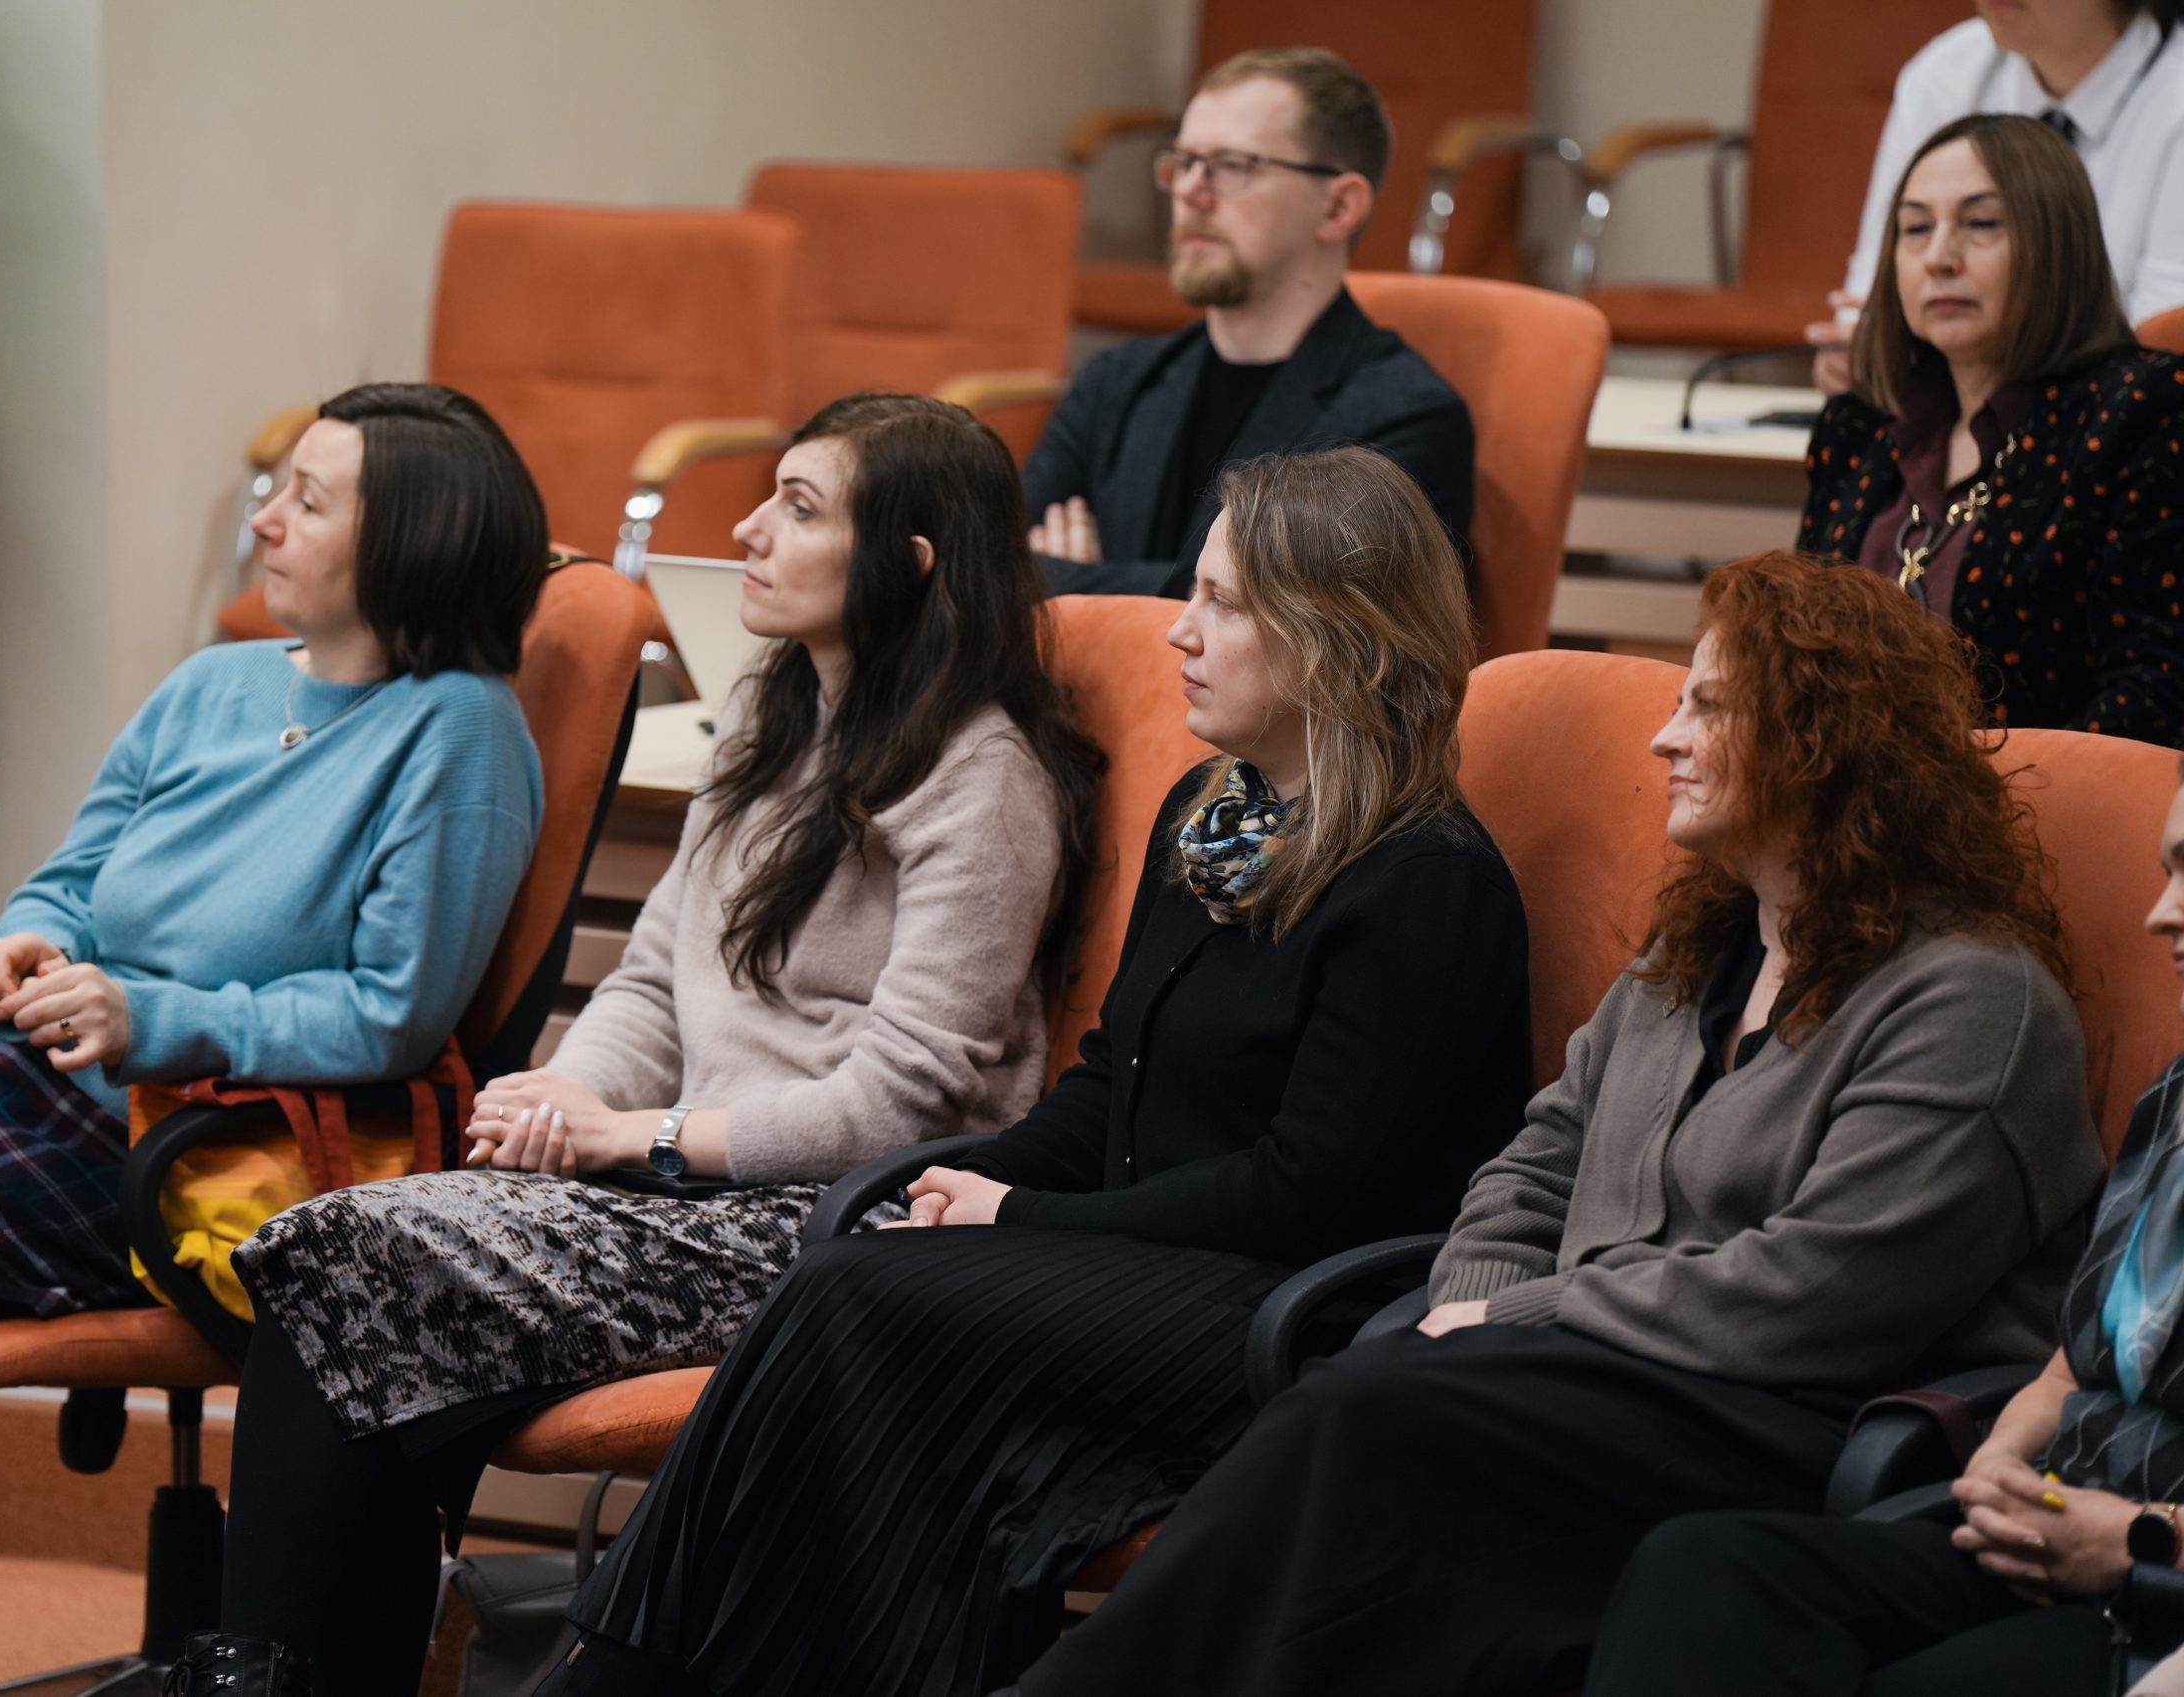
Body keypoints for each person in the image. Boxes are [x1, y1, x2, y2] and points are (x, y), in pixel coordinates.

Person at [993, 552, 2106, 1697]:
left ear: (1825, 745)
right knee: (1374, 1433)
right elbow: (1531, 1166)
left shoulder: (1973, 1001)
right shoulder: (1691, 960)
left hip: (1793, 1419)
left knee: (1367, 1422)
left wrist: (1513, 1316)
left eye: (1709, 708)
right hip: (1588, 1384)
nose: (1665, 740)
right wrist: (1474, 1309)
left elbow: (1818, 1295)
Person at [539, 444, 1534, 1697]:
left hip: (1286, 1299)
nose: (1180, 630)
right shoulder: (1214, 815)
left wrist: (1019, 1214)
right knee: (862, 1288)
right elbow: (1112, 1080)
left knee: (859, 1301)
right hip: (1141, 1262)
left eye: (1224, 604)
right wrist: (963, 1179)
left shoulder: (1427, 883)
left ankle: (616, 1673)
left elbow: (1305, 1191)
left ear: (1342, 641)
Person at [174, 394, 1104, 1694]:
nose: (747, 530)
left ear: (908, 562)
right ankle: (271, 1672)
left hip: (831, 1223)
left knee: (348, 1269)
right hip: (687, 1186)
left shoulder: (982, 778)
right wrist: (564, 1091)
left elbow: (904, 1103)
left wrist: (635, 1135)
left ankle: (252, 1677)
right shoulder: (774, 716)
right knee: (336, 1272)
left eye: (798, 507)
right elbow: (656, 974)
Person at [0, 383, 548, 1690]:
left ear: (415, 538)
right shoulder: (212, 683)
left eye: (308, 501)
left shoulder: (461, 730)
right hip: (42, 1077)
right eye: (275, 490)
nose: (264, 519)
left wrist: (150, 1015)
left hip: (194, 1135)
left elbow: (392, 1011)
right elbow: (75, 877)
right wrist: (30, 938)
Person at [1582, 760, 2184, 1697]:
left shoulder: (1971, 994)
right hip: (2058, 1525)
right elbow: (2072, 1367)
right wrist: (2002, 1466)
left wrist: (2145, 1538)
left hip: (2151, 1578)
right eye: (2168, 871)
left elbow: (1812, 1288)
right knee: (1702, 1572)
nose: (2160, 914)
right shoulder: (2174, 1099)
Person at [1022, 46, 1474, 598]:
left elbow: (1287, 620)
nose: (1189, 191)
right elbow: (997, 569)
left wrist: (1076, 587)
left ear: (1338, 208)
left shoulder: (1404, 419)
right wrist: (1200, 589)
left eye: (1231, 166)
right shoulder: (1114, 381)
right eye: (1184, 162)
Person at [1797, 113, 2184, 744]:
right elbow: (1790, 659)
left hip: (2043, 797)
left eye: (1980, 224)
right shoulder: (1859, 425)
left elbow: (2154, 691)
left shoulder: (2142, 410)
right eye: (1916, 228)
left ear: (2057, 245)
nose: (1939, 258)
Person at [1813, 0, 2184, 393]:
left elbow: (2165, 342)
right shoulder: (1946, 69)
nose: (1938, 257)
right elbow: (1876, 296)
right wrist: (1857, 353)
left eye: (1983, 222)